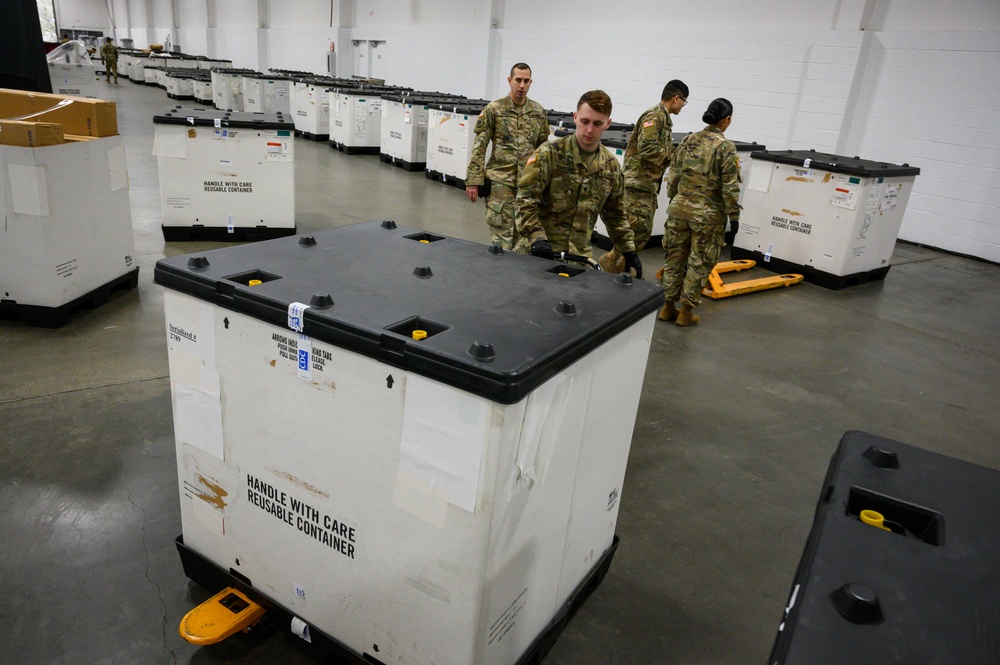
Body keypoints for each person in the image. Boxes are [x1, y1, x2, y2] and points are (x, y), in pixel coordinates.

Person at [515, 90, 641, 278]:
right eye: (585, 121)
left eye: (597, 123)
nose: (590, 130)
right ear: (575, 118)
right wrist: (537, 239)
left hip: (579, 260)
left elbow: (615, 214)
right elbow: (525, 202)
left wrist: (628, 249)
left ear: (608, 123)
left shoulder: (610, 167)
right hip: (538, 253)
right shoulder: (549, 154)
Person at [659, 98, 740, 327]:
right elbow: (730, 187)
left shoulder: (687, 140)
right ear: (727, 120)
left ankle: (667, 308)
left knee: (674, 259)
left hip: (679, 210)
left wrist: (677, 200)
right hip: (707, 216)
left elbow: (673, 177)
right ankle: (685, 312)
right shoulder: (725, 147)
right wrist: (733, 216)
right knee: (698, 262)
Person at [598, 80, 689, 274]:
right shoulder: (655, 117)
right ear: (676, 98)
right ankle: (615, 274)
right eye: (684, 101)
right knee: (634, 235)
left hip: (646, 186)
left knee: (639, 235)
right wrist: (672, 158)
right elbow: (647, 149)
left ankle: (615, 269)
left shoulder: (663, 118)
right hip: (637, 186)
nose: (683, 105)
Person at [465, 63, 549, 250]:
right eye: (518, 80)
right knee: (501, 239)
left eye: (526, 81)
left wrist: (545, 184)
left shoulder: (538, 112)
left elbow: (543, 151)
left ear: (530, 83)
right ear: (509, 81)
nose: (521, 85)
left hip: (527, 185)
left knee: (524, 238)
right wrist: (473, 180)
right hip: (500, 183)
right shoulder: (494, 109)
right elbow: (480, 146)